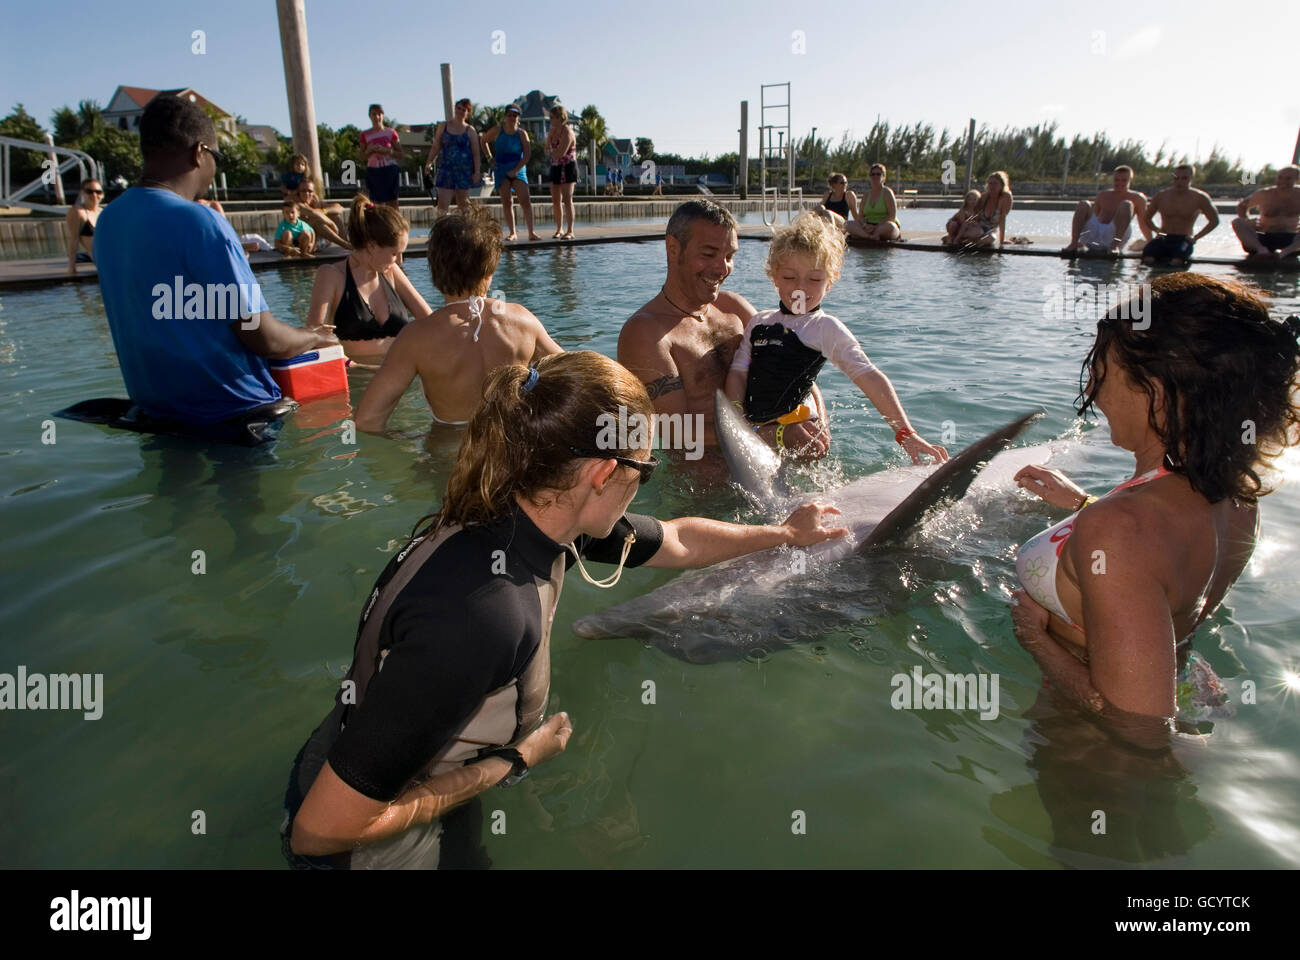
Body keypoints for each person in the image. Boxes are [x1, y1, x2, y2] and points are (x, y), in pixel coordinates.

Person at [283, 349, 851, 868]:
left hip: (367, 759)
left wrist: (782, 534)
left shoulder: (523, 510)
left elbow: (679, 540)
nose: (641, 487)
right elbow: (319, 833)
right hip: (365, 843)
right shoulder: (484, 616)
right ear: (603, 473)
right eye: (642, 472)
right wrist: (516, 761)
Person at [1011, 273, 1300, 748]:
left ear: (1156, 392)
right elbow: (1159, 580)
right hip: (1183, 685)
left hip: (1089, 755)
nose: (1094, 392)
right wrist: (1085, 504)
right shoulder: (1235, 498)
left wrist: (1035, 639)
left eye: (1103, 370)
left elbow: (1137, 727)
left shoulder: (1119, 528)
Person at [93, 94, 335, 434]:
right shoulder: (199, 221)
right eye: (216, 156)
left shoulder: (108, 222)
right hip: (234, 413)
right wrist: (311, 336)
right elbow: (264, 338)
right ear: (199, 153)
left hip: (157, 412)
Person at [724, 212, 947, 463]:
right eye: (789, 277)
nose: (801, 288)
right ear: (774, 277)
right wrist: (737, 419)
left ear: (829, 282)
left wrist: (906, 433)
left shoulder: (824, 328)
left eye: (814, 279)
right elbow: (739, 372)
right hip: (758, 429)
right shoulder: (759, 322)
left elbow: (870, 377)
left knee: (800, 467)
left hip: (798, 433)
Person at [618, 200, 829, 456]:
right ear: (673, 248)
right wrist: (775, 436)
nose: (722, 268)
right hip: (708, 488)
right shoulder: (646, 332)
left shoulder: (734, 308)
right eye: (708, 254)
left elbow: (799, 370)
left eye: (729, 256)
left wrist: (818, 426)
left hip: (773, 462)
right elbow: (671, 428)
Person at [355, 203, 562, 430]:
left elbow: (366, 420)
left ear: (434, 269)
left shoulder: (415, 339)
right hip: (516, 450)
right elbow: (581, 372)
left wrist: (406, 442)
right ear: (490, 271)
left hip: (449, 458)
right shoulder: (523, 322)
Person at [304, 193, 430, 366]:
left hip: (401, 373)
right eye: (395, 253)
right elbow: (314, 338)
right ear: (371, 246)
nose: (400, 260)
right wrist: (356, 366)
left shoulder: (391, 271)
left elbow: (429, 319)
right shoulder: (331, 275)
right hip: (356, 378)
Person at [481, 104, 540, 241]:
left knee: (525, 200)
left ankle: (531, 232)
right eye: (509, 115)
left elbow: (527, 154)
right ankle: (513, 232)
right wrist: (490, 158)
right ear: (505, 117)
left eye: (515, 115)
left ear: (518, 118)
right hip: (501, 167)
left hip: (518, 166)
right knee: (507, 201)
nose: (512, 118)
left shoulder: (522, 133)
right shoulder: (497, 130)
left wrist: (516, 170)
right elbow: (483, 140)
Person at [1063, 165, 1152, 256]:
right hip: (1095, 236)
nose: (1120, 183)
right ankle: (1073, 243)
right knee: (1083, 204)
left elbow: (1143, 223)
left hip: (1114, 237)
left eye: (1124, 180)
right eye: (1117, 180)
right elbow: (1092, 218)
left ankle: (1114, 246)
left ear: (1130, 180)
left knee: (1126, 204)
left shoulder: (1138, 198)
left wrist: (1151, 243)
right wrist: (1082, 241)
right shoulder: (1103, 195)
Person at [1139, 164, 1218, 265]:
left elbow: (1214, 221)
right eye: (1176, 178)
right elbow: (1147, 218)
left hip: (1184, 239)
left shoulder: (1200, 197)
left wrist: (1196, 237)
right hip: (1164, 236)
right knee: (1147, 258)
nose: (1179, 182)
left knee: (1176, 261)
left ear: (1191, 178)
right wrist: (1157, 230)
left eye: (1184, 178)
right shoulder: (1161, 196)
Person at [1232, 164, 1300, 260]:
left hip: (1291, 240)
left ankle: (1283, 253)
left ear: (1297, 179)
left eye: (1288, 178)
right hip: (1265, 236)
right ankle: (1261, 250)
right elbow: (1242, 206)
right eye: (1280, 178)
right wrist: (1247, 220)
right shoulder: (1264, 194)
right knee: (1237, 222)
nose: (1283, 182)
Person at [425, 98, 480, 214]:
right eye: (458, 108)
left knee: (464, 207)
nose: (460, 111)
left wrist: (477, 172)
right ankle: (442, 230)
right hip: (446, 170)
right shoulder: (443, 126)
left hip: (464, 172)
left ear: (468, 112)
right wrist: (429, 163)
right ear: (455, 109)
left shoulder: (470, 130)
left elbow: (476, 154)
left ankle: (464, 231)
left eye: (464, 109)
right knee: (442, 207)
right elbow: (436, 146)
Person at [359, 104, 404, 209]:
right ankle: (378, 224)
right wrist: (369, 151)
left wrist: (387, 151)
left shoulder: (391, 132)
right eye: (374, 114)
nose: (377, 117)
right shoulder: (364, 135)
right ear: (370, 116)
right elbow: (361, 157)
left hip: (389, 170)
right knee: (375, 203)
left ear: (383, 115)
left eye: (379, 114)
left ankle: (395, 224)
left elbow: (401, 154)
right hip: (374, 171)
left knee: (392, 202)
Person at [845, 163, 901, 242]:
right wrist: (865, 226)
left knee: (890, 226)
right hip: (868, 226)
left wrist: (876, 227)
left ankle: (872, 234)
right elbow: (860, 217)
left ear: (883, 177)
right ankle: (869, 237)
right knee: (847, 224)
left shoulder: (887, 192)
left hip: (884, 225)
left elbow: (892, 216)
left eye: (878, 174)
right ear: (870, 177)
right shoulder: (866, 195)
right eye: (873, 174)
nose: (875, 176)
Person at [955, 171, 1012, 247]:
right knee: (975, 232)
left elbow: (1002, 219)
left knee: (991, 238)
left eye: (995, 183)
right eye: (990, 183)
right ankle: (960, 238)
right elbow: (972, 212)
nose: (992, 186)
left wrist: (1002, 241)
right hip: (977, 227)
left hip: (990, 230)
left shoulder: (1005, 197)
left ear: (1002, 185)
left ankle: (966, 241)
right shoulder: (984, 197)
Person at [546, 105, 578, 239]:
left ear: (560, 118)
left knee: (567, 198)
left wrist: (552, 152)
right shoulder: (552, 131)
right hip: (555, 166)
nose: (550, 120)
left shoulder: (567, 132)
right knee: (555, 200)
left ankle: (570, 230)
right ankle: (559, 228)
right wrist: (552, 152)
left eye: (552, 117)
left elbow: (560, 152)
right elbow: (546, 149)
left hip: (567, 166)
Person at [292, 179, 350, 249]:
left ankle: (346, 242)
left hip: (318, 241)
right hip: (300, 242)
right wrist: (331, 224)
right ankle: (345, 244)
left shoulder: (316, 203)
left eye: (310, 191)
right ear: (298, 192)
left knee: (334, 215)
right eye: (303, 191)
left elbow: (339, 208)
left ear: (314, 193)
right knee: (316, 220)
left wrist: (323, 210)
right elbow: (313, 213)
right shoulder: (296, 204)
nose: (307, 193)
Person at [65, 179, 103, 274]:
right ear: (82, 193)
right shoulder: (78, 212)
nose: (94, 195)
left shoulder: (103, 212)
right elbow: (74, 240)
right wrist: (71, 268)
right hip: (102, 259)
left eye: (98, 192)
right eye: (89, 191)